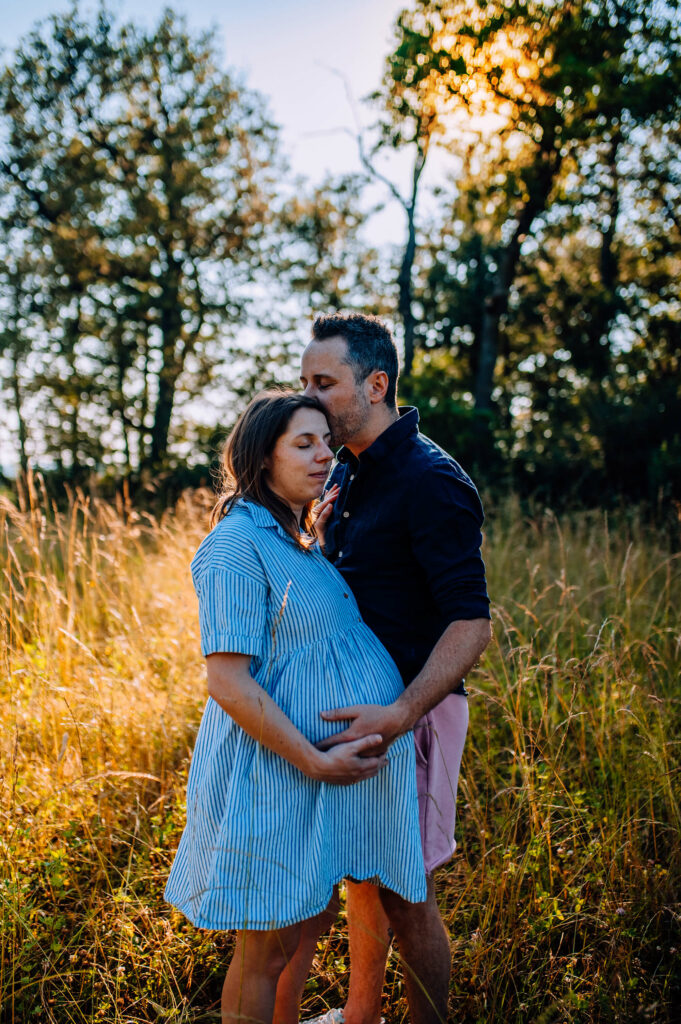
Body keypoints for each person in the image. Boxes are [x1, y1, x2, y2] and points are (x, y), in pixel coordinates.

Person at [164, 390, 427, 1024]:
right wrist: (313, 759)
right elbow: (228, 682)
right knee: (266, 952)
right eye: (303, 444)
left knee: (306, 922)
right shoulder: (236, 544)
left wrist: (320, 543)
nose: (324, 456)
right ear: (262, 456)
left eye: (326, 443)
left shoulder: (294, 538)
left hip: (316, 784)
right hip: (278, 775)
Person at [292, 313, 492, 1024]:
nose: (308, 396)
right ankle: (361, 1015)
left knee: (408, 894)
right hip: (362, 711)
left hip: (414, 712)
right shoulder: (346, 468)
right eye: (303, 381)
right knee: (364, 876)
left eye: (324, 382)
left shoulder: (429, 480)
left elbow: (471, 622)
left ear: (376, 385)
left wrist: (402, 713)